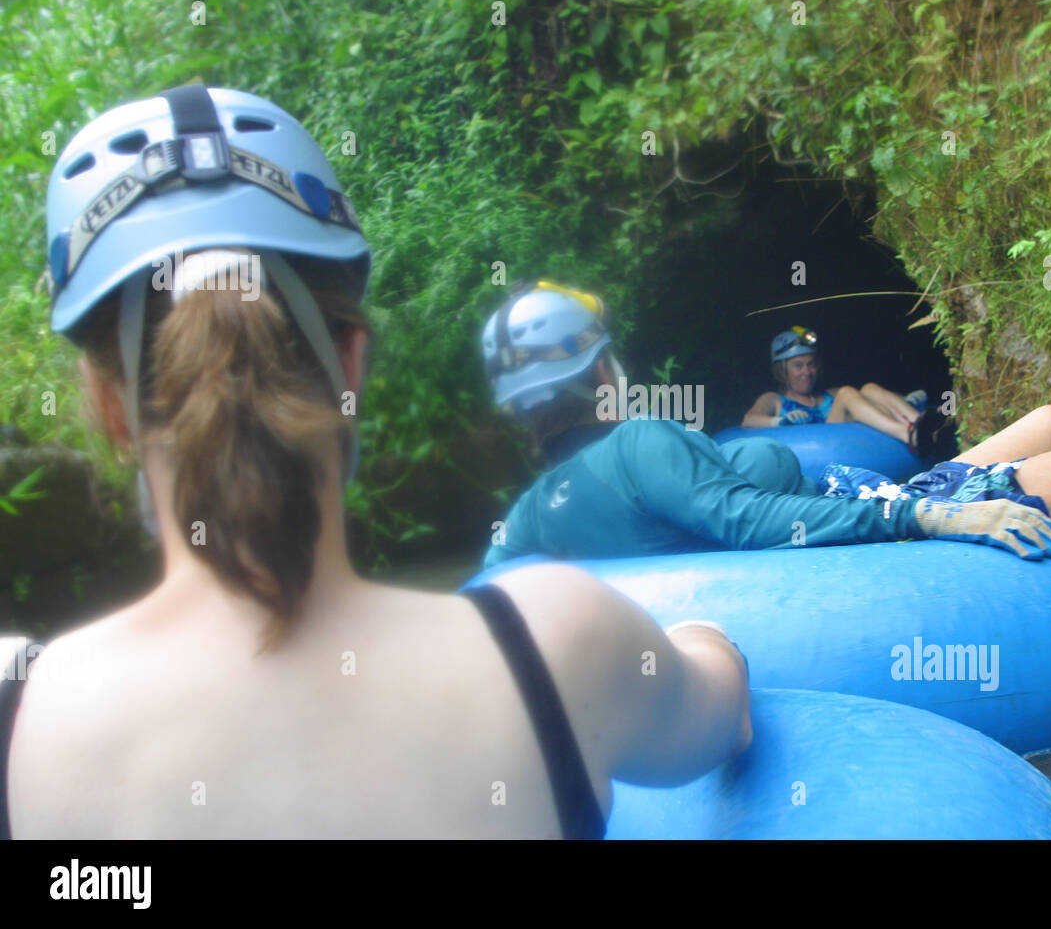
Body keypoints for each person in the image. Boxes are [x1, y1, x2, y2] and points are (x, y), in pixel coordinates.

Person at [0, 84, 750, 840]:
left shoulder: (17, 709)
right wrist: (703, 638)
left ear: (109, 408)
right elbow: (723, 716)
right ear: (350, 366)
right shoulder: (558, 642)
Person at [482, 289, 1051, 603]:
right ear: (605, 376)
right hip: (892, 522)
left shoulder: (530, 517)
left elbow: (479, 599)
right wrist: (932, 520)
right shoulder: (640, 445)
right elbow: (754, 521)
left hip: (866, 501)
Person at [742, 326, 951, 455]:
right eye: (798, 365)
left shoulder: (829, 394)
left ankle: (927, 428)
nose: (807, 371)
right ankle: (908, 434)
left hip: (847, 438)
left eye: (811, 364)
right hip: (826, 449)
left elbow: (874, 405)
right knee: (847, 393)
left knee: (868, 389)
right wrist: (779, 422)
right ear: (782, 369)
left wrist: (906, 401)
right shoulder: (774, 400)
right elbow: (748, 420)